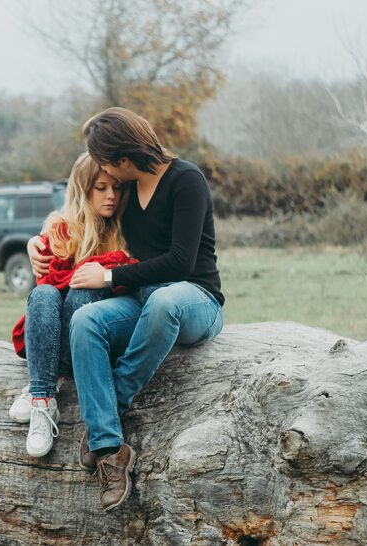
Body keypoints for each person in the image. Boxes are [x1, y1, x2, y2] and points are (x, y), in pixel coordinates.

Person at [28, 107, 225, 511]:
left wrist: (107, 278)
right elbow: (79, 219)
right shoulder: (128, 190)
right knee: (85, 320)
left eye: (103, 158)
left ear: (121, 157)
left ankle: (110, 406)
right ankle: (110, 450)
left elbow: (181, 262)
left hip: (194, 299)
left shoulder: (186, 180)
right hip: (142, 298)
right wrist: (37, 242)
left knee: (164, 300)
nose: (104, 172)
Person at [9, 152, 137, 458]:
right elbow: (45, 288)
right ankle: (43, 401)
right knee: (43, 295)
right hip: (51, 337)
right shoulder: (60, 229)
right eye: (101, 187)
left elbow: (132, 276)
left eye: (116, 189)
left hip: (92, 342)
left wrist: (102, 274)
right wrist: (35, 243)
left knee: (81, 294)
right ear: (82, 189)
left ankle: (41, 385)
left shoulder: (125, 230)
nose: (111, 196)